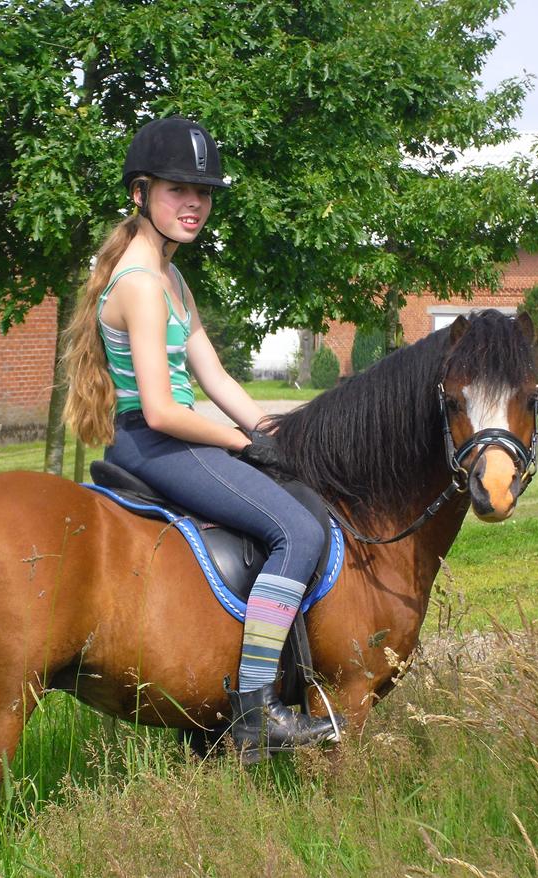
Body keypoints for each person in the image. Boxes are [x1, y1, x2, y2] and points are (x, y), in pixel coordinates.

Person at [63, 116, 341, 756]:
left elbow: (213, 374)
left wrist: (272, 433)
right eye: (177, 190)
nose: (194, 204)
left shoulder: (170, 277)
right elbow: (162, 410)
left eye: (203, 192)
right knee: (298, 533)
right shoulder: (141, 285)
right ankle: (256, 708)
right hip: (156, 444)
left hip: (169, 439)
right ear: (140, 194)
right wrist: (239, 444)